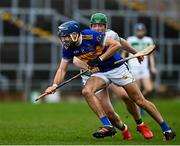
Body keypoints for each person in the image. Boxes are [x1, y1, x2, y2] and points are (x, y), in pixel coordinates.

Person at [45, 20, 175, 141]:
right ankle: (108, 126)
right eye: (62, 37)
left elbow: (116, 44)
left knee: (139, 100)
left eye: (66, 36)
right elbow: (62, 69)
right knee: (87, 91)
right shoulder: (68, 48)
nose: (64, 40)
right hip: (101, 73)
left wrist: (99, 60)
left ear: (74, 34)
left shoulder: (91, 36)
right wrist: (54, 85)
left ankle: (166, 129)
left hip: (117, 68)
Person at [73, 13, 153, 140]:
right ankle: (123, 128)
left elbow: (121, 42)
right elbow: (75, 60)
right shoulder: (84, 37)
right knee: (109, 113)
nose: (98, 28)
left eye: (101, 25)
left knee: (126, 96)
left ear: (105, 26)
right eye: (95, 25)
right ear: (90, 26)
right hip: (95, 75)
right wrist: (87, 66)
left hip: (111, 70)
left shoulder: (110, 34)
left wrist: (136, 53)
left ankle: (140, 124)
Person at [127, 23, 157, 115]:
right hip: (133, 67)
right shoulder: (130, 39)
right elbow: (125, 53)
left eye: (141, 30)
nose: (140, 32)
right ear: (135, 31)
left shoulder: (148, 40)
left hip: (144, 68)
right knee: (138, 90)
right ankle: (140, 108)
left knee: (149, 88)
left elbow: (150, 55)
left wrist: (152, 67)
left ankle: (141, 103)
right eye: (138, 30)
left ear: (144, 31)